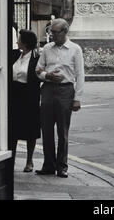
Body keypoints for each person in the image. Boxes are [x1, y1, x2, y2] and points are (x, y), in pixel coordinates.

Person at [35, 18, 84, 178]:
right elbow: (37, 70)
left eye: (55, 32)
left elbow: (80, 75)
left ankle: (62, 166)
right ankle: (48, 164)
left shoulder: (75, 49)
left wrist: (77, 98)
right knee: (47, 130)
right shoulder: (47, 49)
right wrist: (46, 75)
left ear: (64, 32)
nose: (51, 35)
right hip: (48, 89)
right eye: (51, 32)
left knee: (63, 131)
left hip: (65, 91)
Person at [10, 29, 41, 172]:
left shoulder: (36, 58)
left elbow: (39, 75)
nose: (17, 41)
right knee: (13, 129)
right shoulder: (15, 55)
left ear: (25, 42)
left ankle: (29, 161)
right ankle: (11, 160)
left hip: (29, 96)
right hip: (14, 96)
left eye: (19, 39)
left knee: (30, 129)